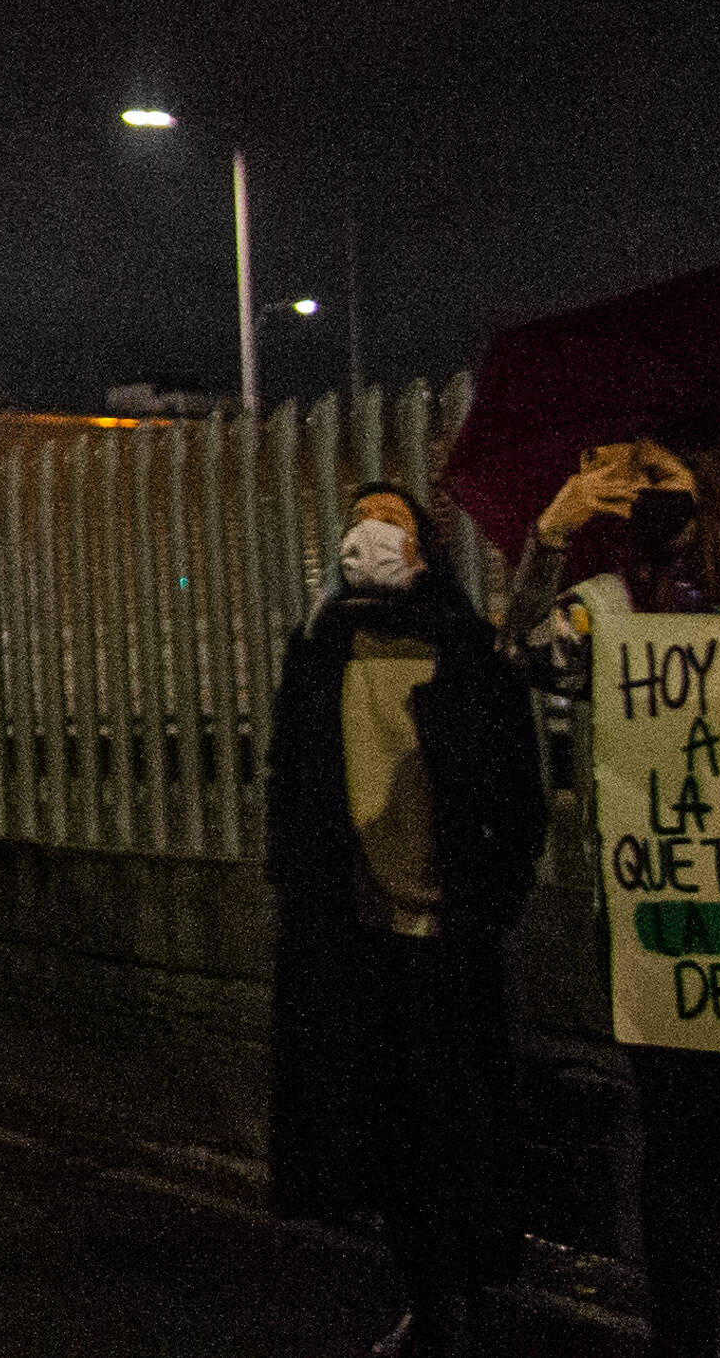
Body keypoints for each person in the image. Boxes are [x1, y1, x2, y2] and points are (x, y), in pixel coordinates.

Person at [502, 438, 720, 1358]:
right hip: (669, 919)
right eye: (625, 481)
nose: (639, 497)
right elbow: (527, 654)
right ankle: (683, 1339)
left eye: (656, 476)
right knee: (682, 1149)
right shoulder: (609, 605)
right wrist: (552, 533)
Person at [267, 483, 543, 1358]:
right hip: (358, 941)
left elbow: (516, 786)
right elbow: (289, 788)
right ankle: (427, 1300)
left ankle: (465, 1292)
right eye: (360, 519)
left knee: (455, 1129)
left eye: (391, 521)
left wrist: (492, 899)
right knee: (388, 1138)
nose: (370, 534)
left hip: (449, 941)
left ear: (425, 550)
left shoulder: (464, 651)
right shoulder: (319, 654)